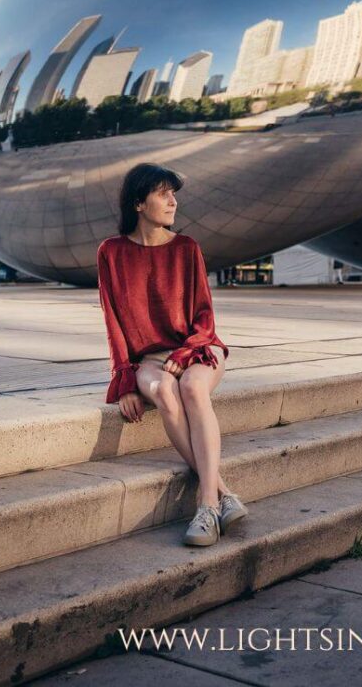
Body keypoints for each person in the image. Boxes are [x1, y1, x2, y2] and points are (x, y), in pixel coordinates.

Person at [97, 162, 247, 547]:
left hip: (198, 347)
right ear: (137, 204)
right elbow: (113, 322)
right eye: (162, 192)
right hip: (149, 359)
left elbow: (204, 316)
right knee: (164, 391)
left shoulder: (186, 248)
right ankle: (224, 496)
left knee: (193, 391)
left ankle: (206, 503)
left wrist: (185, 352)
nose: (172, 200)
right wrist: (126, 381)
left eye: (173, 193)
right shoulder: (111, 253)